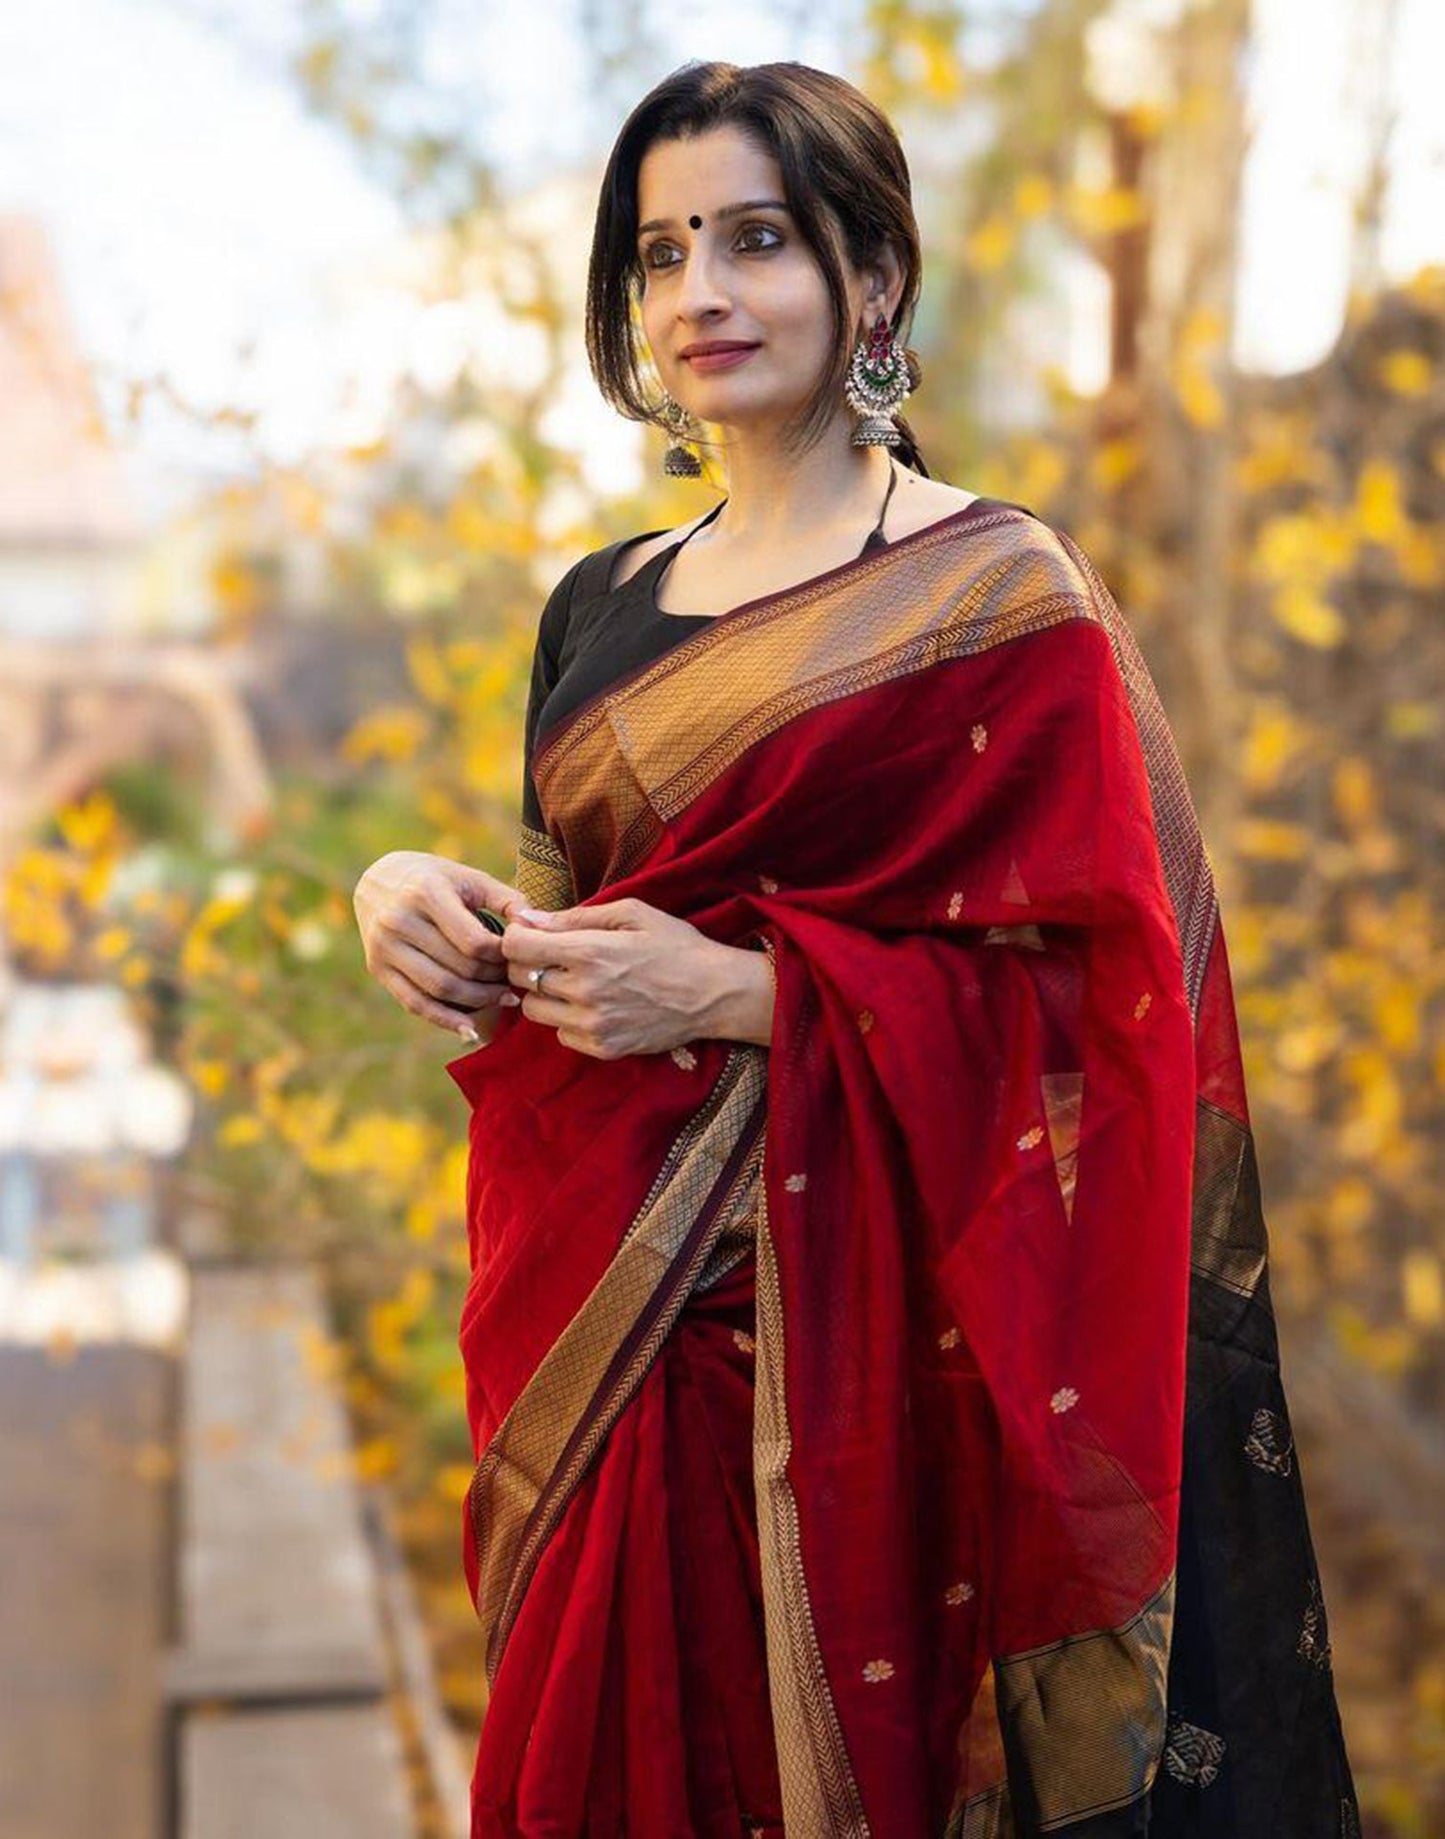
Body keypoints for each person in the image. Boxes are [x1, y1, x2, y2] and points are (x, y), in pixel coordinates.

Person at [353, 59, 1359, 1839]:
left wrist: (748, 998)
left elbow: (1102, 1019)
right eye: (660, 254)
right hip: (614, 1343)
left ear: (872, 276)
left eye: (756, 239)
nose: (701, 296)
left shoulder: (996, 601)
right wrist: (419, 904)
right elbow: (574, 930)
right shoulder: (599, 603)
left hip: (875, 1366)